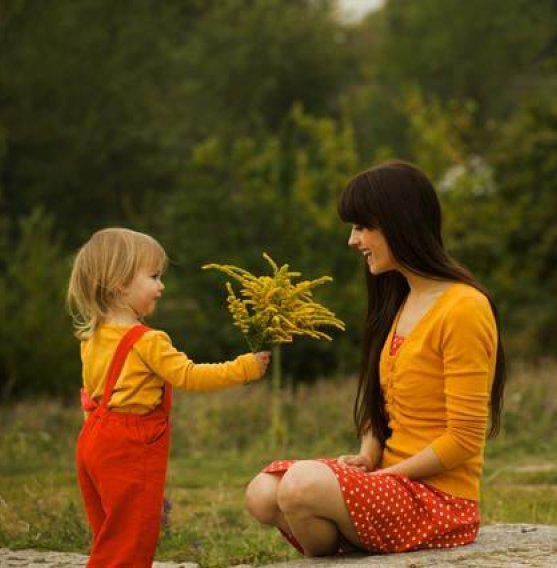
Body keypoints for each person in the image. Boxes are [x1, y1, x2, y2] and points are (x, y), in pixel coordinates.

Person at [244, 161, 506, 557]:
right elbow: (382, 401)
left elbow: (464, 439)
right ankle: (348, 548)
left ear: (399, 224)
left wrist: (384, 478)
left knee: (300, 485)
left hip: (439, 501)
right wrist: (369, 455)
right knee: (263, 493)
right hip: (391, 484)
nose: (353, 241)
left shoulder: (463, 308)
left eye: (363, 227)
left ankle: (344, 547)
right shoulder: (399, 300)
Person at [67, 228, 270, 567]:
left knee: (109, 532)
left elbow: (91, 394)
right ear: (119, 283)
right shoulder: (148, 340)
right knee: (133, 534)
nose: (161, 287)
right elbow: (189, 375)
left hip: (93, 440)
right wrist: (244, 368)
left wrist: (99, 437)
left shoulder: (93, 336)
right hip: (130, 443)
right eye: (154, 276)